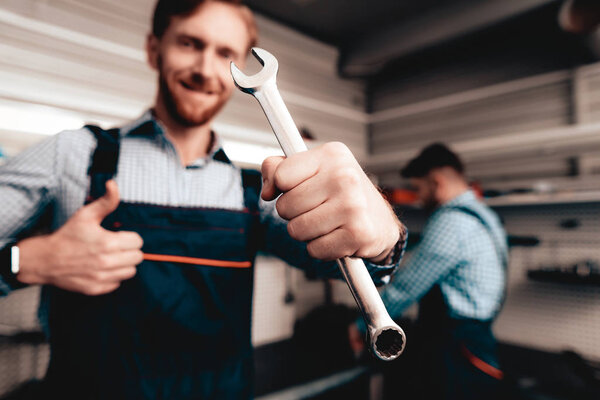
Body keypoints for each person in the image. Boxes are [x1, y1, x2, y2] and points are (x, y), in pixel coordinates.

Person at [0, 1, 407, 398]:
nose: (205, 69)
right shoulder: (71, 156)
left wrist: (383, 234)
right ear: (153, 48)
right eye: (190, 43)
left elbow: (363, 275)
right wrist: (25, 261)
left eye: (225, 53)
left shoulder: (258, 192)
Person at [349, 143, 508, 400]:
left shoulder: (451, 222)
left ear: (436, 182)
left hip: (457, 347)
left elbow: (406, 288)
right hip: (478, 339)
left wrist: (363, 325)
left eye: (419, 188)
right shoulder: (484, 215)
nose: (418, 197)